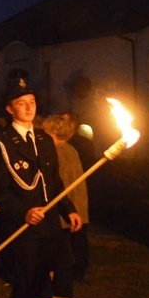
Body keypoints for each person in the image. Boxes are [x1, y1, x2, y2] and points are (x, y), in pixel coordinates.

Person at [0, 81, 82, 298]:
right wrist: (23, 212)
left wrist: (69, 209)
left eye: (31, 101)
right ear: (9, 109)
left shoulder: (43, 139)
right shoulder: (3, 144)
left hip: (49, 225)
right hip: (24, 227)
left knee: (39, 281)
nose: (29, 107)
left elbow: (53, 182)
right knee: (30, 288)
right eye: (21, 103)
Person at [40, 115, 89, 298]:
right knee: (64, 252)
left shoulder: (57, 152)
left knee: (56, 252)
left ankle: (54, 291)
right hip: (72, 210)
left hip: (61, 211)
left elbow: (57, 184)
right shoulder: (71, 150)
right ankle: (63, 291)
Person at [61, 111, 95, 280]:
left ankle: (80, 266)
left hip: (77, 189)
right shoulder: (63, 144)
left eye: (64, 122)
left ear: (72, 125)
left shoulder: (80, 144)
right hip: (67, 190)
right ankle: (69, 264)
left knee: (78, 233)